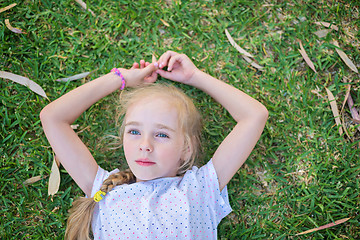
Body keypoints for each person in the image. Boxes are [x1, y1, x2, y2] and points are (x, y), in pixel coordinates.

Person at [40, 51, 268, 239]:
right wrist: (121, 78)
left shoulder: (200, 188)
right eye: (134, 131)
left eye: (161, 135)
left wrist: (194, 76)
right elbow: (52, 117)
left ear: (186, 148)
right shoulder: (105, 191)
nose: (145, 145)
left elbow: (254, 115)